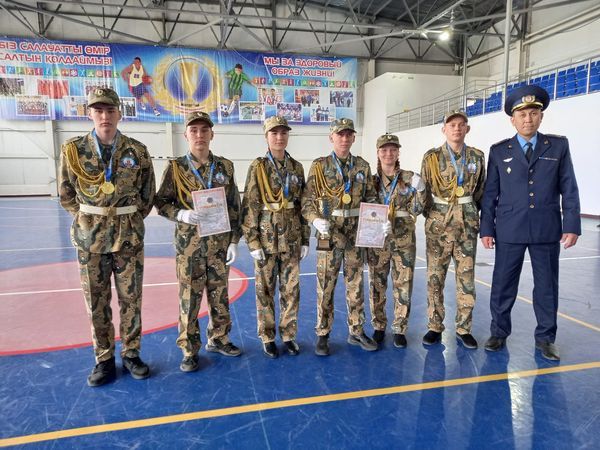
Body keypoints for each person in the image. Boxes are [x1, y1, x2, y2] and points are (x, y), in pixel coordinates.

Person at [58, 87, 156, 386]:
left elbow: (147, 195)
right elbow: (66, 194)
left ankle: (131, 353)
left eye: (110, 110)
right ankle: (103, 359)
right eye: (98, 110)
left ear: (119, 114)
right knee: (96, 301)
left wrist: (127, 218)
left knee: (131, 299)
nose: (105, 116)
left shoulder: (137, 151)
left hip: (128, 238)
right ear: (89, 114)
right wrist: (89, 219)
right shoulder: (73, 150)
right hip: (90, 239)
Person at [480, 85, 581, 361]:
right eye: (522, 114)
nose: (528, 119)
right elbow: (490, 193)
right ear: (512, 120)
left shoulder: (557, 146)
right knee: (503, 285)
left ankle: (546, 339)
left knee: (547, 287)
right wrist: (486, 228)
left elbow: (569, 187)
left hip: (546, 228)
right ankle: (499, 332)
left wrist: (572, 224)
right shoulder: (499, 151)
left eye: (533, 113)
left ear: (541, 116)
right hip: (509, 228)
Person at [154, 111, 242, 372]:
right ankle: (189, 349)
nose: (199, 135)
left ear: (212, 134)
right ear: (186, 135)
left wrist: (234, 241)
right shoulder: (176, 168)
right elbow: (161, 202)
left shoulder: (225, 167)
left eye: (204, 130)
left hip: (219, 244)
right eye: (194, 130)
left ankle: (219, 338)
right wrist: (181, 214)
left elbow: (234, 206)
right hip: (189, 246)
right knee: (189, 298)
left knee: (219, 294)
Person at [301, 118, 389, 356]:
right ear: (331, 137)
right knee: (325, 285)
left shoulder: (362, 166)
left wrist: (379, 222)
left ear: (354, 138)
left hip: (355, 233)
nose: (344, 138)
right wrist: (315, 220)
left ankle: (356, 331)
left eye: (349, 134)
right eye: (340, 134)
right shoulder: (320, 166)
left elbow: (371, 199)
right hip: (328, 233)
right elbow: (307, 201)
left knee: (356, 284)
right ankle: (323, 333)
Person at [241, 116, 310, 358]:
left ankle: (289, 335)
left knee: (291, 290)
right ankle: (268, 336)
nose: (279, 137)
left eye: (283, 133)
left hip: (291, 239)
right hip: (266, 240)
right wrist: (252, 242)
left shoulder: (297, 168)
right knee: (265, 291)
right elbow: (250, 205)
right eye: (274, 133)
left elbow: (303, 205)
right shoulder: (258, 167)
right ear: (266, 136)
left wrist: (305, 239)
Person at [420, 110, 486, 349]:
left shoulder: (477, 156)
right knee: (435, 277)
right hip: (439, 225)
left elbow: (480, 191)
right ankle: (434, 326)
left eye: (461, 124)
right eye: (451, 125)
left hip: (467, 225)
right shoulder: (431, 157)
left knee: (466, 278)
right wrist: (435, 216)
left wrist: (468, 212)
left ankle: (463, 328)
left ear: (467, 129)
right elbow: (425, 191)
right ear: (444, 129)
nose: (456, 128)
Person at [367, 134, 426, 348]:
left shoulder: (410, 178)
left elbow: (417, 209)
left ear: (398, 152)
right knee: (376, 283)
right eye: (384, 150)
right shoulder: (370, 181)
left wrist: (421, 190)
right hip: (377, 238)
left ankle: (400, 328)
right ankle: (379, 325)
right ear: (378, 153)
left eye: (393, 149)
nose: (388, 153)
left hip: (403, 238)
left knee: (404, 284)